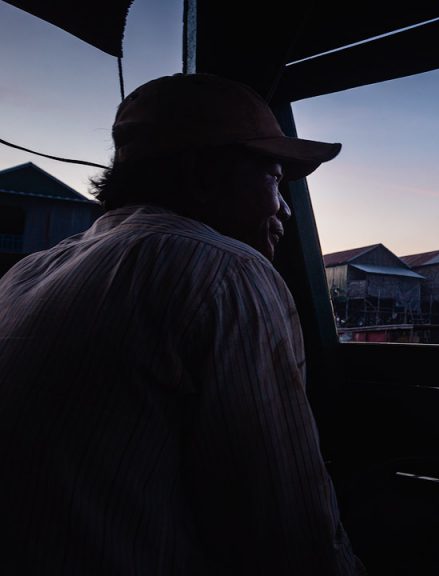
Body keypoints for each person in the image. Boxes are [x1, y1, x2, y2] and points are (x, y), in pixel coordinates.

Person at [0, 74, 364, 575]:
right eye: (274, 180)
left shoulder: (26, 274)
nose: (283, 209)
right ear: (203, 175)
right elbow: (291, 539)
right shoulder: (222, 269)